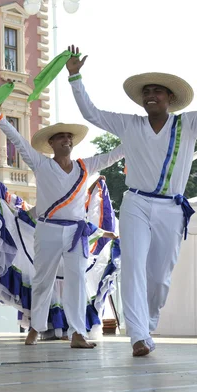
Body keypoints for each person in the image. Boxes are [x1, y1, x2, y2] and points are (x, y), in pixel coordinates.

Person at [66, 44, 196, 356]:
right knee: (133, 266)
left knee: (160, 277)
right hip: (136, 203)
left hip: (171, 208)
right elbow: (91, 113)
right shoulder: (129, 124)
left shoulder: (188, 124)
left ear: (170, 98)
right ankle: (137, 335)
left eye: (158, 91)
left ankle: (147, 322)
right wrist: (75, 77)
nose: (151, 95)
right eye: (147, 91)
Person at [0, 116, 123, 348]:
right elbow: (19, 142)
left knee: (77, 282)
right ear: (51, 143)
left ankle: (77, 333)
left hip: (76, 233)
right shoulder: (42, 164)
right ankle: (36, 328)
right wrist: (1, 119)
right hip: (48, 230)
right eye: (61, 137)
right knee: (43, 280)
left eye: (69, 137)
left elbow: (113, 156)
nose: (66, 140)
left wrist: (135, 141)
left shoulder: (86, 166)